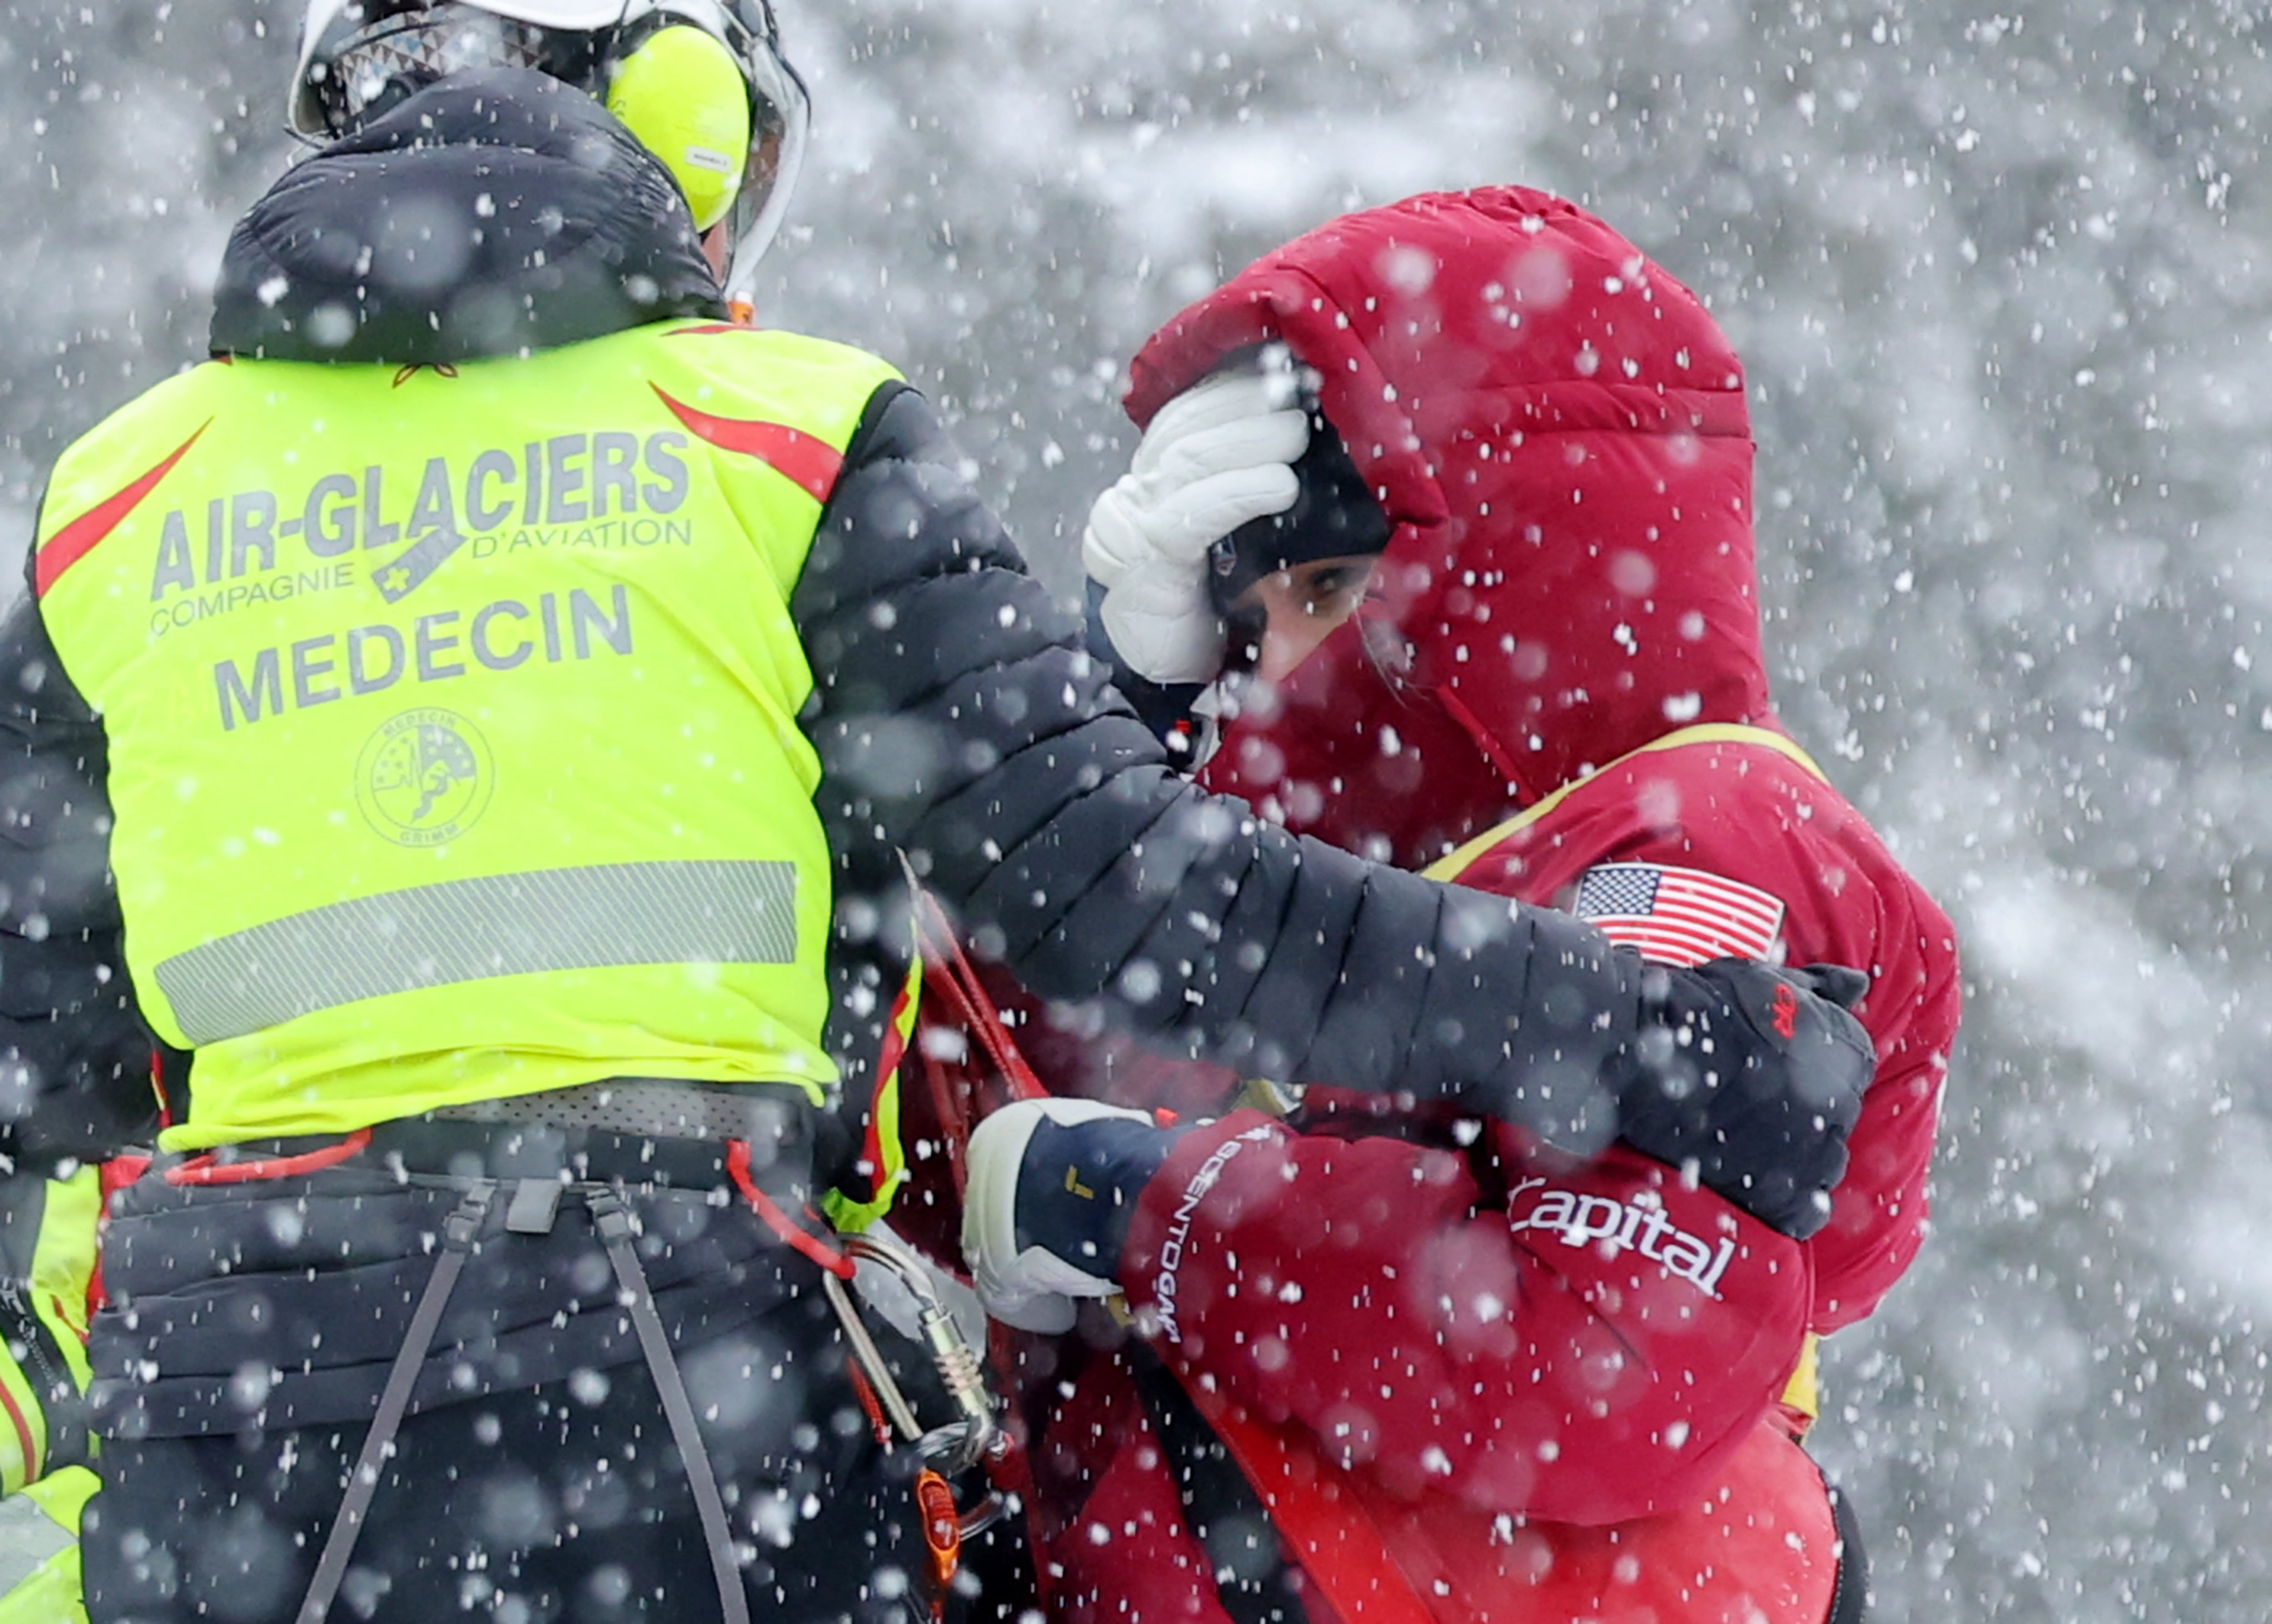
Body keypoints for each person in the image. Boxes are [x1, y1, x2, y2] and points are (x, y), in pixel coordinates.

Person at [0, 3, 1876, 1615]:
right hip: (672, 1414)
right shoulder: (781, 438)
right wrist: (1632, 1033)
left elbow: (36, 1075)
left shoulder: (113, 514)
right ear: (668, 112)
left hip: (228, 1443)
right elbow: (1136, 912)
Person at [959, 187, 1960, 1623]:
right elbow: (1002, 1108)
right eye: (1249, 623)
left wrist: (1148, 1207)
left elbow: (1600, 1353)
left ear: (1490, 558)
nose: (1279, 660)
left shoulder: (1689, 839)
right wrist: (1138, 732)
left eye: (1322, 584)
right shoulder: (1466, 883)